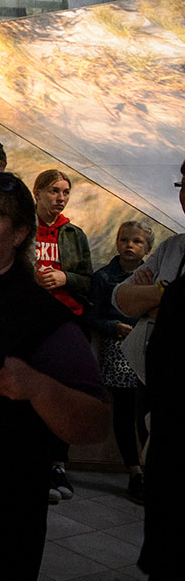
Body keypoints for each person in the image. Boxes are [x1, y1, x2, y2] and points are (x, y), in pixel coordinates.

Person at [0, 167, 108, 580]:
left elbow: (95, 422)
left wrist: (37, 387)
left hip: (3, 503)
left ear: (19, 235)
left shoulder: (41, 314)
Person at [113, 161, 185, 579]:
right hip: (156, 381)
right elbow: (123, 298)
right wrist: (160, 292)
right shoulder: (174, 249)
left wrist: (156, 296)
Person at [32, 168, 94, 501]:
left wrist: (65, 278)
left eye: (65, 192)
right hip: (31, 321)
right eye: (54, 191)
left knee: (63, 395)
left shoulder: (73, 234)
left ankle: (58, 464)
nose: (60, 198)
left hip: (67, 320)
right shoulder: (23, 229)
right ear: (37, 192)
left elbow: (89, 279)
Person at [90, 220, 154, 503]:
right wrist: (113, 326)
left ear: (147, 248)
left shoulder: (154, 277)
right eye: (124, 239)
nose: (129, 245)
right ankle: (134, 472)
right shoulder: (105, 277)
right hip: (118, 350)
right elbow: (91, 315)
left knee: (146, 413)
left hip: (149, 347)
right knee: (126, 411)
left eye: (137, 241)